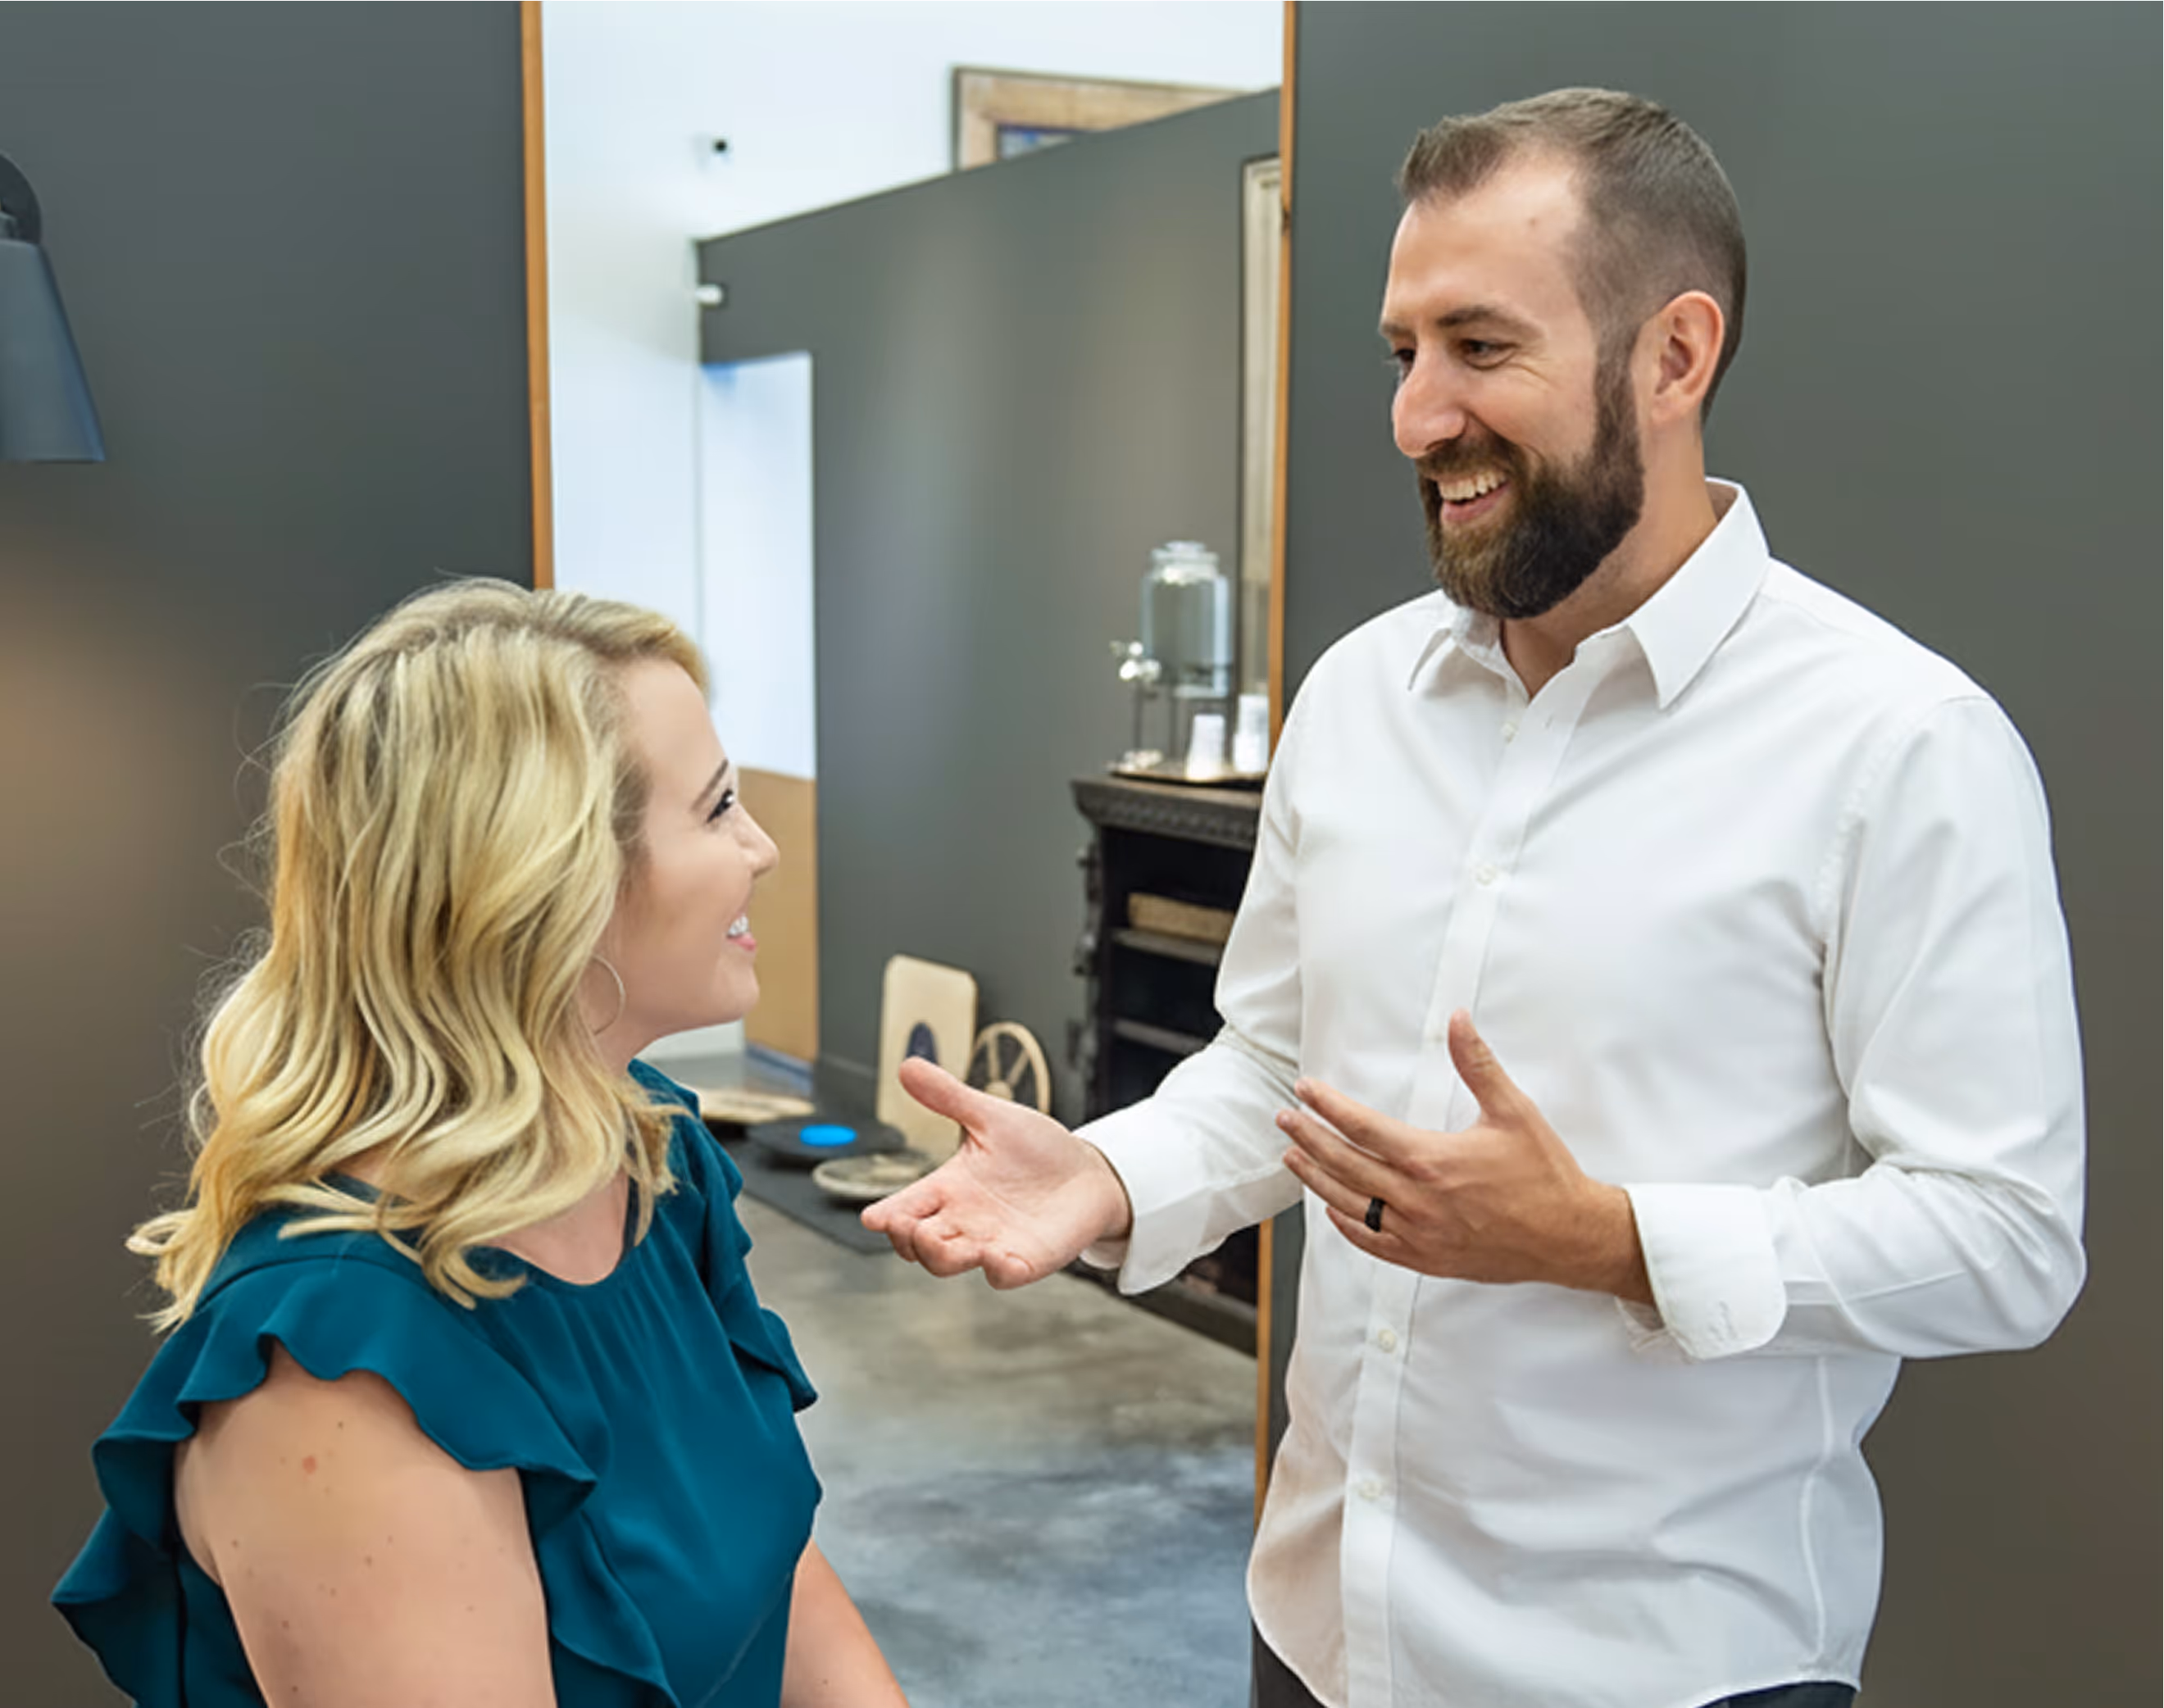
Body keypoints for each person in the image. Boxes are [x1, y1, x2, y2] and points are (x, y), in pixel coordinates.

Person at [865, 88, 2085, 1708]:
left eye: (1481, 349)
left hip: (1663, 1670)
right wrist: (1106, 1173)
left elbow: (2007, 1236)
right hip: (1319, 1629)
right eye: (1402, 352)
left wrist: (1612, 1243)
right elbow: (1277, 1071)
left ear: (1677, 355)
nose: (1417, 416)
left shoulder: (1900, 748)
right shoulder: (1362, 697)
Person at [54, 581, 909, 1707]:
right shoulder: (339, 1372)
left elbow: (783, 1583)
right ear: (553, 888)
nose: (761, 849)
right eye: (716, 809)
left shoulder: (653, 1156)